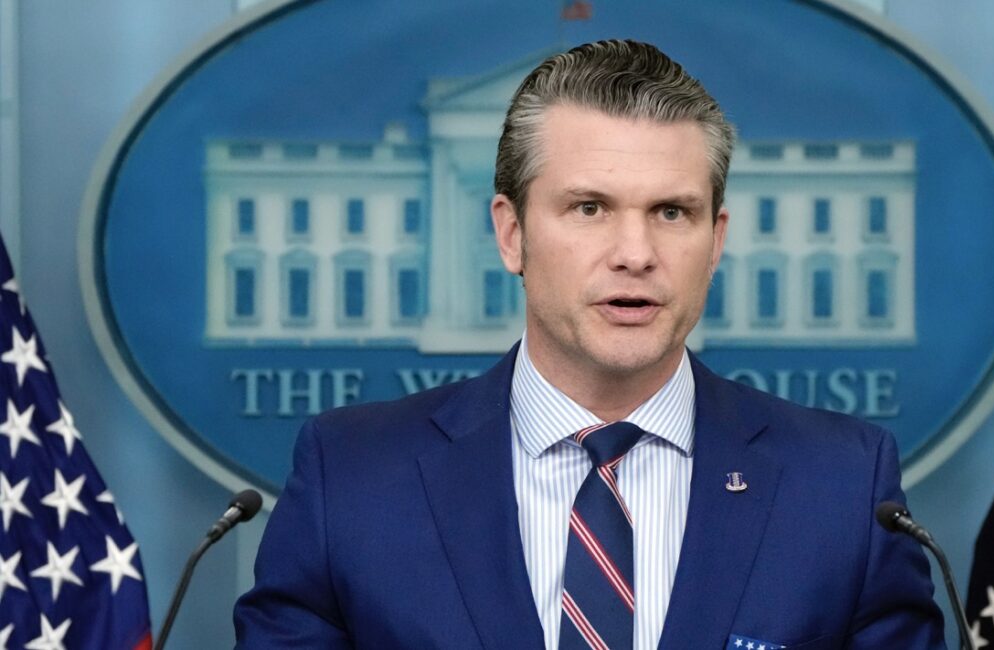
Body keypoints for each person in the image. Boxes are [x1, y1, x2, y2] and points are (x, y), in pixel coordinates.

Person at [234, 39, 945, 649]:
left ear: (716, 240)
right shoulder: (350, 479)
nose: (635, 253)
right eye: (590, 208)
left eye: (672, 212)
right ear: (512, 234)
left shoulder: (844, 488)